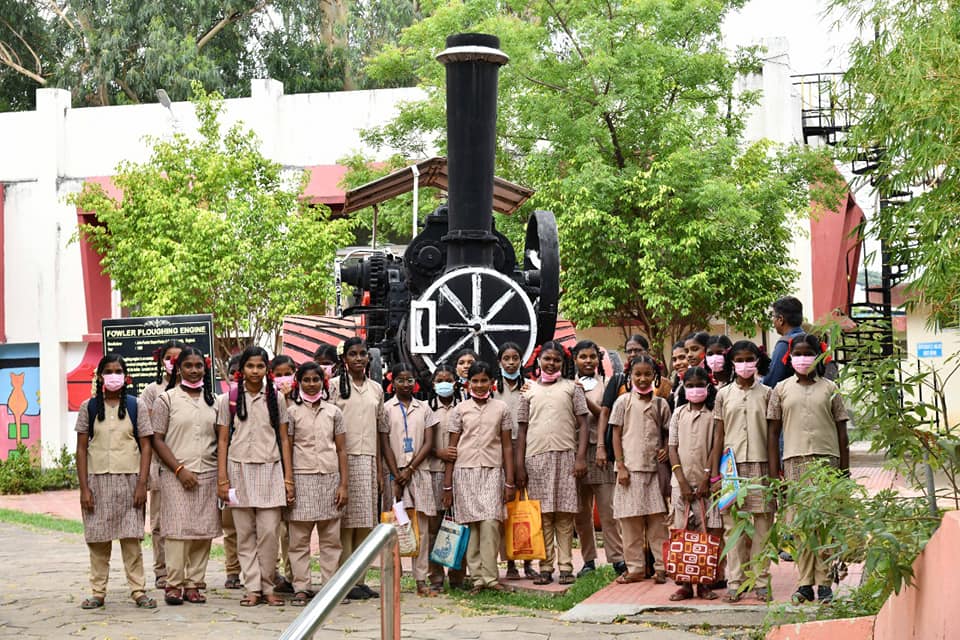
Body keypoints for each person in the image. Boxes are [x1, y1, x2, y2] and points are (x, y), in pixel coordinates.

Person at [767, 333, 849, 605]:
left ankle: (824, 583)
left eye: (808, 353)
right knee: (800, 525)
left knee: (824, 524)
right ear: (790, 358)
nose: (803, 359)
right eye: (798, 354)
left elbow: (842, 432)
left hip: (827, 462)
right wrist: (774, 472)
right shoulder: (780, 389)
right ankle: (804, 583)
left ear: (819, 356)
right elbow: (772, 433)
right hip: (794, 463)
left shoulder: (831, 388)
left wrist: (844, 470)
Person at [216, 346, 294, 607]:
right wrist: (222, 479)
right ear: (241, 369)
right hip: (238, 470)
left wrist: (288, 478)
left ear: (266, 369)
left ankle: (268, 586)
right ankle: (252, 588)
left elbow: (284, 438)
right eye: (250, 366)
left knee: (269, 533)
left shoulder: (276, 398)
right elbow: (223, 440)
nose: (255, 371)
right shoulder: (229, 399)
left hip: (270, 470)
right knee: (244, 533)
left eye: (260, 366)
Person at [76, 354, 155, 610]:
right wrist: (84, 488)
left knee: (131, 540)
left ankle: (138, 590)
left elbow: (146, 446)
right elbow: (81, 449)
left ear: (126, 376)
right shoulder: (88, 407)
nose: (113, 376)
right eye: (108, 371)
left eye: (118, 371)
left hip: (129, 482)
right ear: (100, 377)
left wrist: (142, 483)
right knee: (98, 540)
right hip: (97, 483)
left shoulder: (136, 405)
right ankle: (98, 592)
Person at [146, 346, 220, 606]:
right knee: (177, 530)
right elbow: (156, 439)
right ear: (179, 369)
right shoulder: (166, 399)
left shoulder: (214, 400)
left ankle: (194, 584)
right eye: (188, 365)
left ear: (205, 368)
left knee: (203, 529)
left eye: (198, 365)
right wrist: (179, 469)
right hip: (175, 474)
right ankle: (174, 584)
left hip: (208, 472)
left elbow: (221, 438)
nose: (194, 370)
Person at [516, 341, 590, 586]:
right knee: (544, 516)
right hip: (536, 459)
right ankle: (545, 567)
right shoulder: (528, 390)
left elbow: (584, 424)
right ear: (539, 360)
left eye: (556, 360)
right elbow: (522, 430)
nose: (551, 363)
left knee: (565, 515)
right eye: (547, 359)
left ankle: (566, 567)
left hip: (566, 457)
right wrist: (520, 465)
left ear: (563, 362)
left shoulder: (572, 388)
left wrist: (580, 457)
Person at [710, 340, 775, 603]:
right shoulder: (723, 395)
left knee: (762, 526)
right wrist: (715, 475)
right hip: (731, 468)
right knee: (733, 527)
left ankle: (760, 581)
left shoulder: (768, 393)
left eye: (749, 359)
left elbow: (774, 436)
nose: (745, 364)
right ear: (732, 363)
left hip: (761, 465)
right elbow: (718, 435)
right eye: (739, 360)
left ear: (757, 361)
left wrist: (775, 473)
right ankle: (735, 582)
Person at [442, 361, 515, 594]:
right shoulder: (460, 410)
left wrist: (510, 481)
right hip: (465, 472)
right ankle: (477, 579)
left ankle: (491, 578)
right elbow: (452, 449)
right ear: (468, 383)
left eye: (484, 381)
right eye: (475, 381)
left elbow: (507, 446)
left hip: (492, 471)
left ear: (492, 382)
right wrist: (447, 485)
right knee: (471, 526)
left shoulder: (501, 408)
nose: (480, 385)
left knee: (491, 523)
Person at [284, 362, 348, 606]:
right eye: (306, 380)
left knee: (331, 539)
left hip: (330, 478)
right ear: (299, 383)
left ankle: (330, 587)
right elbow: (287, 447)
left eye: (316, 380)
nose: (311, 384)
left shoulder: (334, 412)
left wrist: (343, 485)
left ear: (324, 382)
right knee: (299, 539)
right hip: (302, 478)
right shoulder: (291, 412)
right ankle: (301, 587)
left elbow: (341, 449)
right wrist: (289, 481)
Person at [329, 337, 384, 601]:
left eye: (363, 354)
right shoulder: (333, 387)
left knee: (365, 523)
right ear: (344, 359)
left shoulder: (376, 389)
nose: (359, 358)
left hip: (368, 458)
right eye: (353, 354)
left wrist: (380, 470)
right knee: (344, 523)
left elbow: (380, 429)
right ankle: (343, 580)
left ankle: (359, 580)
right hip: (342, 460)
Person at [608, 355, 671, 585]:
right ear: (630, 376)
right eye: (638, 374)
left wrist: (666, 448)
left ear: (655, 376)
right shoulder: (622, 402)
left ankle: (662, 567)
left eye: (647, 374)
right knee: (630, 524)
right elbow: (616, 435)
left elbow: (668, 432)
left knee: (658, 525)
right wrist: (621, 465)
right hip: (630, 471)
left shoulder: (661, 404)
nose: (642, 379)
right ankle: (635, 568)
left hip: (654, 472)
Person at [380, 362, 438, 597]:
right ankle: (392, 577)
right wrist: (397, 474)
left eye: (410, 380)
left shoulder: (424, 408)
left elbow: (429, 443)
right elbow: (384, 443)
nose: (405, 384)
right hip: (394, 474)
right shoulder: (385, 409)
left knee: (420, 528)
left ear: (415, 382)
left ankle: (420, 579)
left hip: (418, 473)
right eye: (400, 380)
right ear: (392, 382)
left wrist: (410, 469)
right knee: (394, 526)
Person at [667, 366, 721, 601]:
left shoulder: (713, 414)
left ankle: (705, 583)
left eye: (699, 385)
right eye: (690, 386)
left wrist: (706, 477)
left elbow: (715, 447)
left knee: (705, 533)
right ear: (683, 388)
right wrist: (681, 481)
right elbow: (672, 448)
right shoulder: (678, 413)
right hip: (681, 484)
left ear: (708, 386)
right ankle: (686, 584)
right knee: (683, 532)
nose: (695, 389)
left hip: (705, 484)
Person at [571, 340, 623, 578]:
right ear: (575, 359)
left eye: (592, 356)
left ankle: (617, 558)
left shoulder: (608, 383)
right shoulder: (567, 384)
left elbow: (605, 414)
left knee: (608, 510)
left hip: (601, 452)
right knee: (581, 513)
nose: (588, 361)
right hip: (576, 453)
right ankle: (588, 560)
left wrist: (583, 397)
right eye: (583, 357)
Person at [140, 339, 185, 590]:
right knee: (159, 521)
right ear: (161, 360)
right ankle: (162, 570)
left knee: (186, 517)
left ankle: (184, 570)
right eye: (169, 358)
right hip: (159, 465)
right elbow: (147, 431)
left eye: (178, 358)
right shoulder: (152, 391)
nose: (173, 363)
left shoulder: (195, 388)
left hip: (188, 464)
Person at [494, 342, 536, 580]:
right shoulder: (492, 387)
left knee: (526, 507)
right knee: (506, 509)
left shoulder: (529, 387)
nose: (511, 363)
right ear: (499, 361)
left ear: (522, 360)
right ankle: (509, 562)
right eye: (506, 358)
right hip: (499, 452)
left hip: (526, 449)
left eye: (515, 358)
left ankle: (528, 560)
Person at [426, 364, 466, 592]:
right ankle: (436, 577)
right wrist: (438, 452)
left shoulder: (463, 407)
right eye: (439, 380)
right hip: (434, 472)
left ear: (455, 382)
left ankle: (458, 576)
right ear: (433, 384)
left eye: (448, 379)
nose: (444, 384)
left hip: (460, 473)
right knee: (434, 526)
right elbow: (422, 442)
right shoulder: (427, 409)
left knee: (459, 525)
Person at [269, 354, 298, 594]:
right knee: (279, 527)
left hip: (301, 469)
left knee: (295, 526)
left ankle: (296, 574)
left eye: (287, 374)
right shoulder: (268, 400)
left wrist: (288, 399)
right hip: (274, 468)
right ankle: (281, 573)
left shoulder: (304, 399)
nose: (283, 379)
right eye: (278, 375)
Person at [220, 354, 243, 590]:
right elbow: (221, 439)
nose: (238, 376)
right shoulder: (225, 401)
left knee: (265, 526)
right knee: (231, 526)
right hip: (231, 468)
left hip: (262, 469)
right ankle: (233, 571)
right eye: (233, 372)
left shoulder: (270, 398)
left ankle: (268, 570)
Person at [763, 296, 805, 388]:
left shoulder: (785, 344)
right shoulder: (810, 340)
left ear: (780, 319)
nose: (773, 321)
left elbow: (772, 380)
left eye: (773, 316)